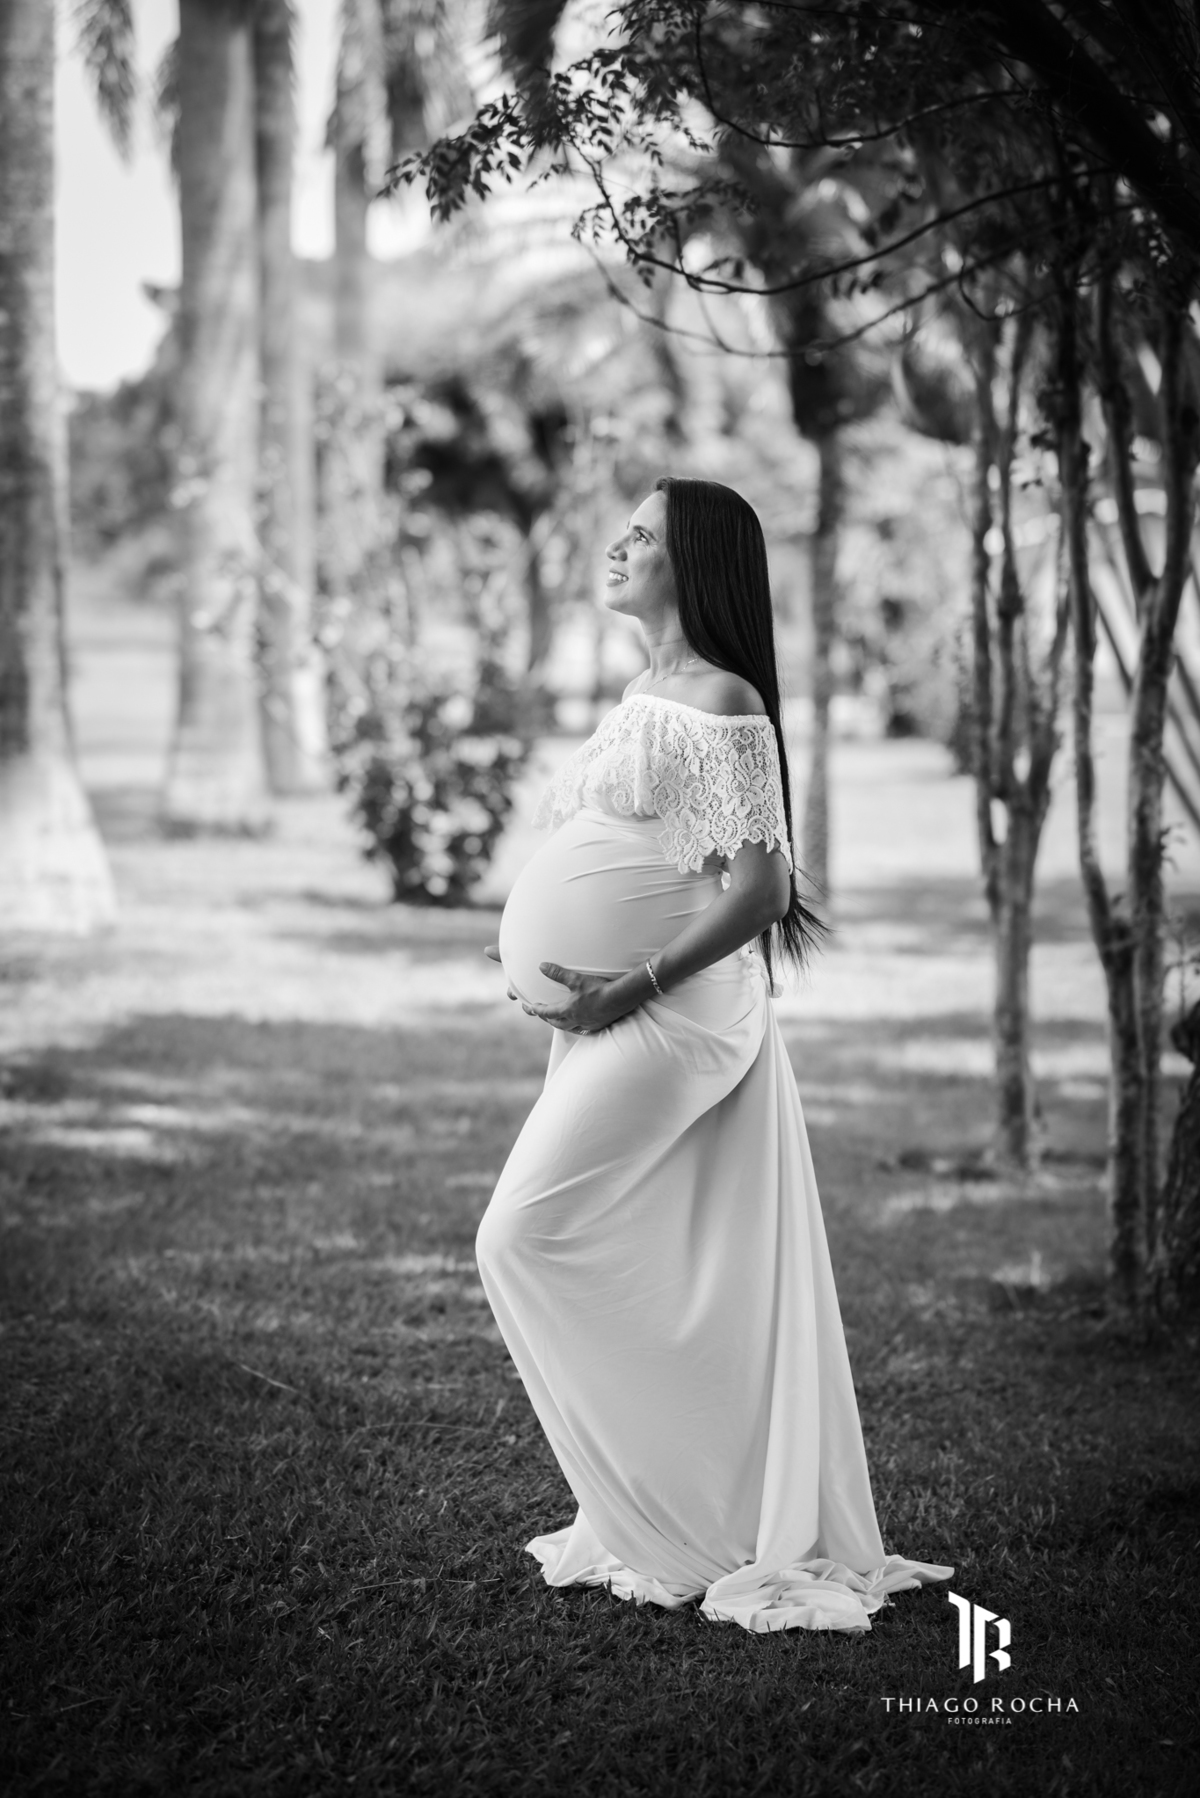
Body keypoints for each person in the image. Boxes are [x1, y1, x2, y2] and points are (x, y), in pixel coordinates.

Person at [477, 477, 951, 1633]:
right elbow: (635, 848)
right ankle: (685, 1497)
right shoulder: (645, 689)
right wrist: (545, 956)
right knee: (647, 1253)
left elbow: (762, 888)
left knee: (520, 1235)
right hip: (613, 1010)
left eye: (642, 535)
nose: (617, 545)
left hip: (674, 1014)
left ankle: (677, 1514)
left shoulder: (726, 699)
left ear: (693, 562)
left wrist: (627, 981)